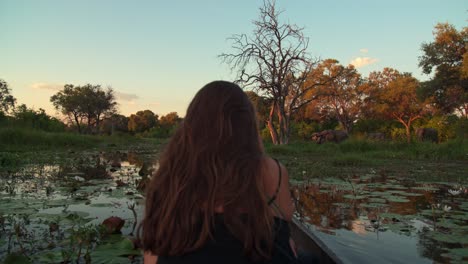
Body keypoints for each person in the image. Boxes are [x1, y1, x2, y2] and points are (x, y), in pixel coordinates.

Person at [139, 81, 300, 264]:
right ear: (246, 124)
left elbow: (152, 251)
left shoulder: (170, 172)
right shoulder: (273, 170)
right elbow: (285, 219)